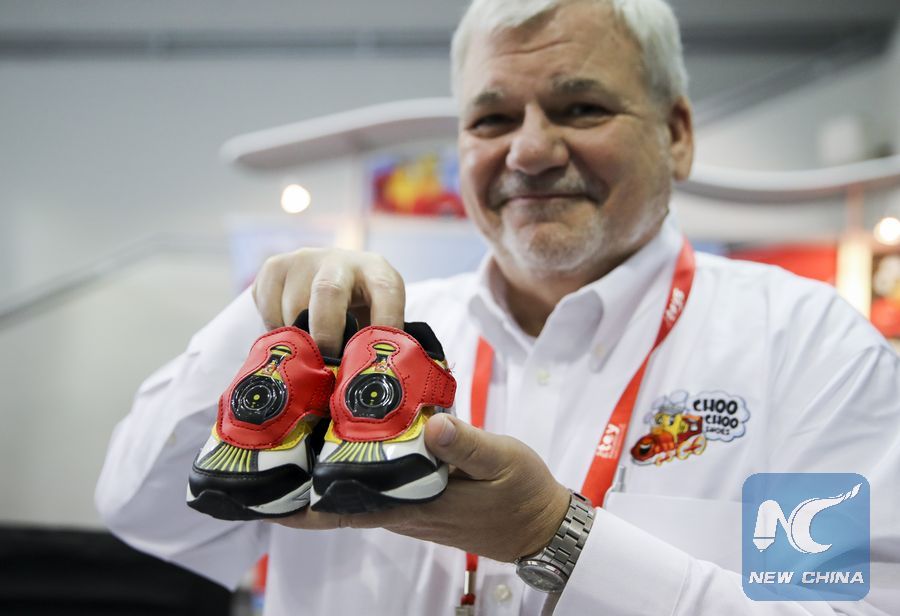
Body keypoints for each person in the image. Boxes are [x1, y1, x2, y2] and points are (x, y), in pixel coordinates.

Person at [95, 0, 900, 614]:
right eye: (492, 119)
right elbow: (143, 513)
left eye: (581, 107)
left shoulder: (800, 347)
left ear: (677, 134)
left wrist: (556, 536)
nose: (530, 149)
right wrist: (265, 323)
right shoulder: (359, 348)